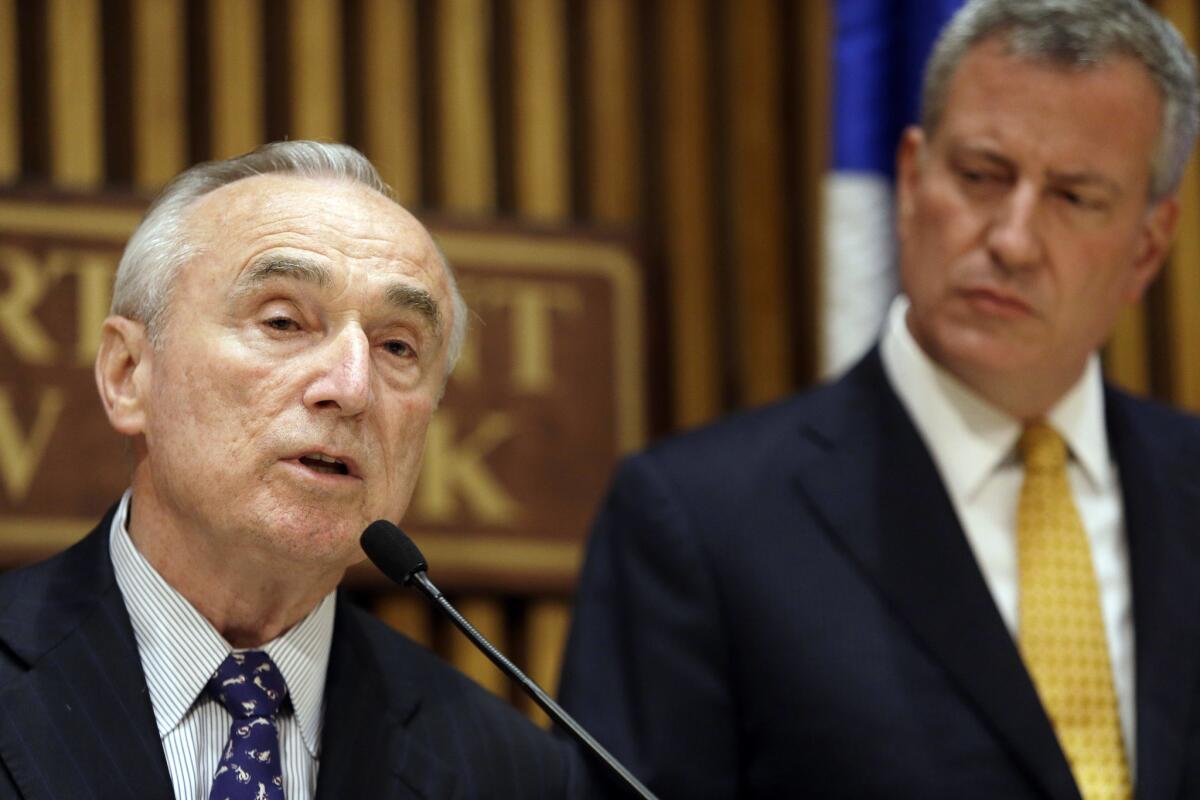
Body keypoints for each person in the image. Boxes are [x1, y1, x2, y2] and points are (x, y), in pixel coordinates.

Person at [559, 1, 1200, 798]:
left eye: (1073, 197)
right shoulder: (699, 523)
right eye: (981, 176)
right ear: (909, 179)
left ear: (1147, 247)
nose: (1011, 239)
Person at [0, 141, 596, 799]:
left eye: (397, 346)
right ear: (127, 375)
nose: (350, 386)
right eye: (284, 322)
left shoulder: (514, 775)